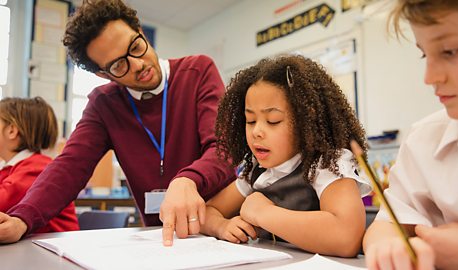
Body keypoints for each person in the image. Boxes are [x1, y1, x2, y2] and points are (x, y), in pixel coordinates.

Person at [0, 0, 235, 245]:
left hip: (222, 228)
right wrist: (22, 219)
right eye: (118, 65)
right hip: (162, 241)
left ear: (140, 31)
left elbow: (224, 148)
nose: (138, 64)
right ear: (103, 74)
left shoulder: (197, 71)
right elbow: (69, 167)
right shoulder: (104, 104)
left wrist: (188, 180)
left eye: (135, 46)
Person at [200, 55, 372, 256]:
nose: (257, 132)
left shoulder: (328, 164)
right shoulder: (256, 172)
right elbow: (206, 211)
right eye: (250, 120)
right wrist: (221, 226)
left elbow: (346, 237)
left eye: (273, 121)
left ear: (306, 121)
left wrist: (263, 213)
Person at [363, 1, 458, 269]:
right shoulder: (424, 140)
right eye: (424, 55)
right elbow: (386, 225)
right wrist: (388, 247)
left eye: (449, 51)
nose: (429, 77)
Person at [0, 97, 79, 233]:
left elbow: (3, 202)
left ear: (12, 131)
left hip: (54, 250)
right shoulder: (9, 167)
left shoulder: (38, 167)